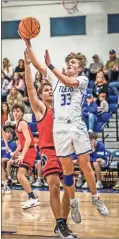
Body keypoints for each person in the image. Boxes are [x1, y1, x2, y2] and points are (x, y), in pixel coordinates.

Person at [23, 39, 108, 220]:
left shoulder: (82, 80)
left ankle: (96, 197)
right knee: (68, 171)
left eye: (73, 63)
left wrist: (52, 66)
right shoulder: (55, 79)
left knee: (85, 165)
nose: (70, 65)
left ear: (80, 69)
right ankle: (74, 202)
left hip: (76, 125)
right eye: (68, 62)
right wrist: (28, 42)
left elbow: (68, 81)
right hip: (60, 127)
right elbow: (38, 65)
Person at [24, 49, 77, 238]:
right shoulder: (40, 109)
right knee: (54, 183)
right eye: (45, 90)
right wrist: (28, 65)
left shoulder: (61, 108)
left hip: (65, 150)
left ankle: (62, 222)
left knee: (71, 187)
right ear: (41, 94)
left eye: (50, 89)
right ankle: (60, 223)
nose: (49, 91)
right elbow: (30, 88)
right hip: (48, 151)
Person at [11, 104, 40, 209]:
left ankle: (32, 198)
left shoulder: (22, 123)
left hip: (29, 151)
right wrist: (15, 154)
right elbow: (21, 143)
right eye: (14, 111)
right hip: (27, 150)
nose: (16, 113)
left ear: (22, 113)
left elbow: (28, 140)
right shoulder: (18, 124)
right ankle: (33, 196)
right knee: (21, 175)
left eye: (18, 111)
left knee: (20, 175)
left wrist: (22, 155)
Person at [1, 128, 14, 194]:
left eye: (10, 133)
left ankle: (5, 185)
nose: (8, 134)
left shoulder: (12, 143)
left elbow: (2, 131)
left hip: (9, 159)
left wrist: (6, 145)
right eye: (7, 132)